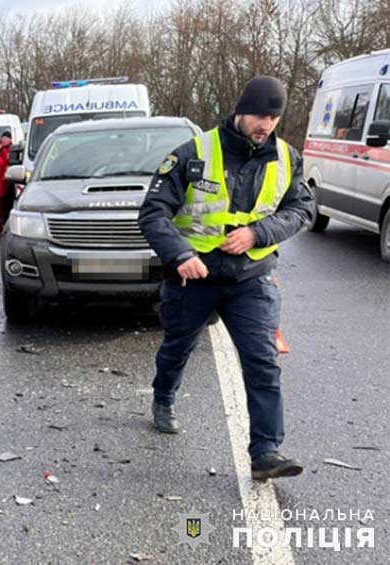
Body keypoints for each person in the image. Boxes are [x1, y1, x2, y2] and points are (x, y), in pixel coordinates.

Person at [138, 76, 314, 481]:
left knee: (263, 362)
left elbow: (301, 209)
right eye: (259, 115)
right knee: (177, 346)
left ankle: (266, 452)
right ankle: (164, 396)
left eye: (274, 116)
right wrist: (180, 254)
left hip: (252, 277)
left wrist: (259, 233)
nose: (265, 124)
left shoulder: (287, 158)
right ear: (240, 111)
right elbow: (153, 212)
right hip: (195, 276)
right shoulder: (193, 153)